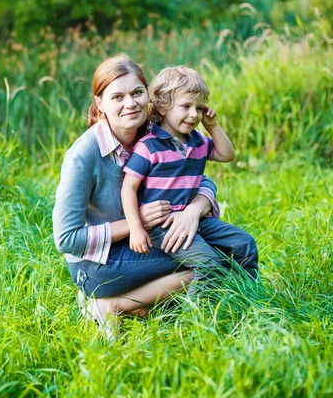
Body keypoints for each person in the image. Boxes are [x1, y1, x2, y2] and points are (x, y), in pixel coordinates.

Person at [52, 54, 249, 338]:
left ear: (150, 96)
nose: (130, 103)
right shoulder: (84, 156)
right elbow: (66, 239)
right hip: (98, 264)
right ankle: (112, 304)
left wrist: (193, 210)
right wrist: (137, 223)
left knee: (232, 248)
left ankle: (149, 304)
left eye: (136, 93)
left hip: (146, 242)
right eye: (117, 97)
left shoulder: (155, 134)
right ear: (100, 104)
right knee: (216, 258)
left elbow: (201, 179)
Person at [121, 65, 258, 293]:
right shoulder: (149, 146)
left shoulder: (198, 141)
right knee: (208, 263)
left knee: (245, 244)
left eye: (199, 108)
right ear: (164, 106)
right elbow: (128, 188)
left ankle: (248, 296)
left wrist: (212, 126)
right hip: (162, 226)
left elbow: (227, 155)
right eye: (186, 106)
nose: (194, 114)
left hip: (194, 218)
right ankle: (199, 319)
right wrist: (136, 229)